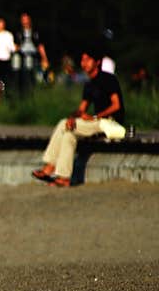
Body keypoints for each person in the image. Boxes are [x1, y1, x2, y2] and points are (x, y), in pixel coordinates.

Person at [31, 49, 125, 188]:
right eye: (82, 60)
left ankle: (50, 166)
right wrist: (72, 118)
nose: (83, 63)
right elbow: (81, 109)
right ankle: (63, 178)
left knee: (64, 125)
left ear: (97, 62)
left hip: (110, 123)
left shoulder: (108, 79)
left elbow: (116, 105)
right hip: (96, 122)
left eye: (87, 60)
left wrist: (94, 117)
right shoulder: (89, 84)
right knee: (68, 133)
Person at [14, 12, 48, 94]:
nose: (25, 22)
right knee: (17, 66)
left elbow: (40, 46)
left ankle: (31, 90)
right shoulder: (18, 32)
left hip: (32, 55)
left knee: (30, 70)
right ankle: (19, 89)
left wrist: (44, 58)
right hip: (21, 55)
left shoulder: (35, 32)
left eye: (26, 19)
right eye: (23, 20)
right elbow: (15, 45)